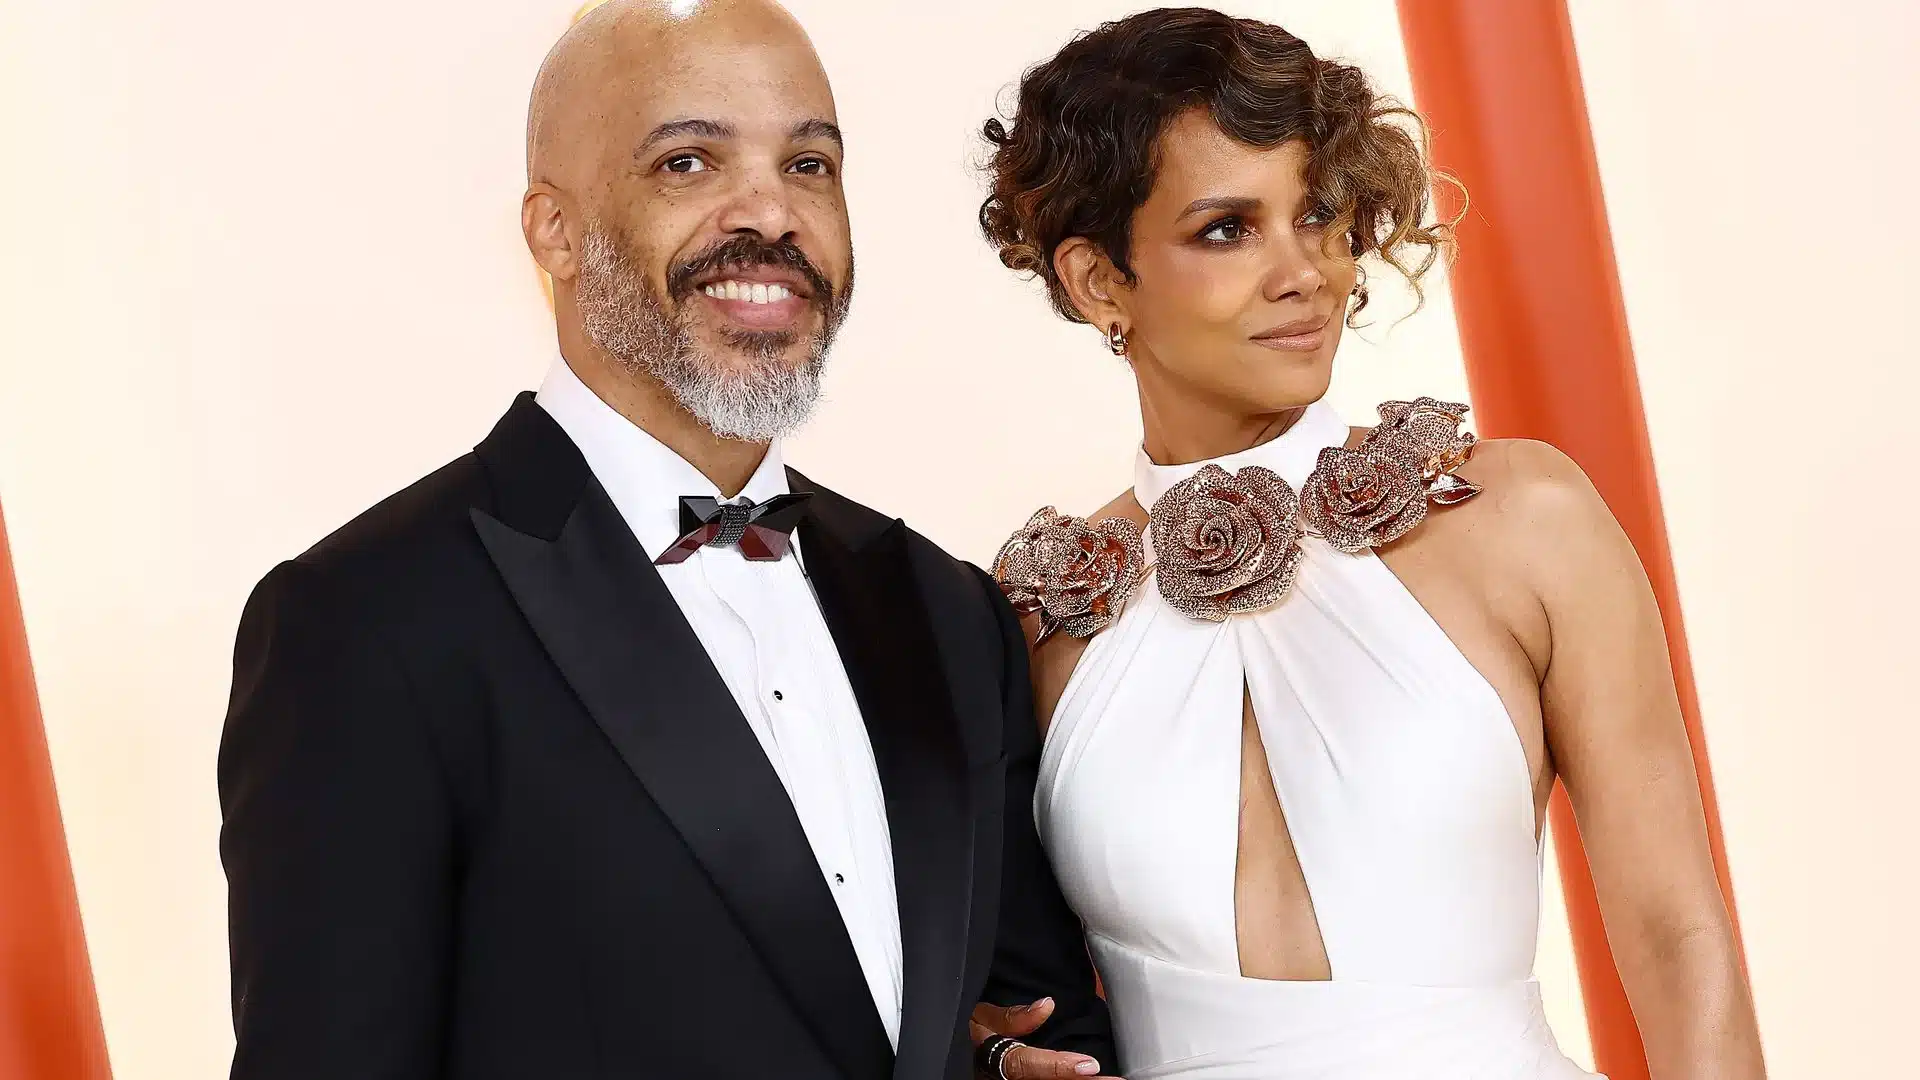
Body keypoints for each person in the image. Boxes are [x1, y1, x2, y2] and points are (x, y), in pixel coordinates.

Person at [215, 2, 1114, 1077]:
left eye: (811, 164)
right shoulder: (366, 622)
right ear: (552, 227)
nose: (771, 214)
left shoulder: (945, 608)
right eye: (688, 161)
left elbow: (1032, 1016)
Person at [970, 8, 1766, 1079]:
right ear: (1097, 280)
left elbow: (1678, 936)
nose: (1306, 271)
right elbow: (990, 992)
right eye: (1227, 229)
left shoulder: (1520, 518)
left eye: (1320, 215)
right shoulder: (1040, 615)